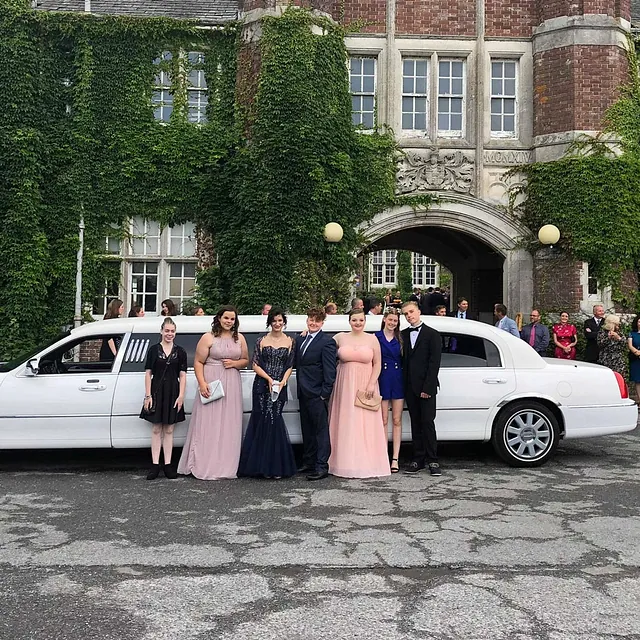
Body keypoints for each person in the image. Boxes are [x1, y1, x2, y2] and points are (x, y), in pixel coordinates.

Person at [177, 306, 249, 479]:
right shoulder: (207, 337)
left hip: (232, 383)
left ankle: (226, 466)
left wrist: (234, 364)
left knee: (229, 424)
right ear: (219, 318)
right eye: (226, 318)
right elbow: (198, 362)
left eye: (232, 319)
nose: (228, 321)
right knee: (207, 424)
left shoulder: (240, 338)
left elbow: (246, 360)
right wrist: (202, 383)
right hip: (211, 383)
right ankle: (203, 463)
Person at [328, 309, 390, 478]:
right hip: (344, 385)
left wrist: (371, 384)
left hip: (365, 386)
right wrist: (305, 333)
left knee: (366, 424)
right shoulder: (340, 337)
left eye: (361, 320)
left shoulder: (372, 339)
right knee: (346, 421)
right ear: (349, 321)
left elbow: (377, 364)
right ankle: (342, 463)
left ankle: (368, 462)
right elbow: (322, 345)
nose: (357, 323)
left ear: (365, 321)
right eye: (354, 320)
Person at [238, 308, 297, 479]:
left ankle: (274, 466)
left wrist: (282, 381)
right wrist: (270, 380)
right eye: (274, 321)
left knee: (274, 419)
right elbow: (255, 364)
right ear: (269, 322)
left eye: (280, 321)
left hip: (280, 386)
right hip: (262, 385)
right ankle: (260, 466)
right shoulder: (261, 341)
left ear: (284, 322)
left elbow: (290, 365)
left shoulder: (291, 342)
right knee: (262, 418)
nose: (277, 324)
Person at [140, 317, 187, 480]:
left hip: (173, 392)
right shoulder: (153, 350)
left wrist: (181, 396)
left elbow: (183, 374)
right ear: (161, 331)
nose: (169, 334)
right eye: (167, 331)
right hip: (156, 392)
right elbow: (148, 373)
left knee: (169, 429)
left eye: (172, 331)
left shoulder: (180, 351)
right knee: (156, 429)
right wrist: (148, 395)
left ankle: (168, 465)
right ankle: (154, 465)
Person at [295, 307, 337, 480]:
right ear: (307, 320)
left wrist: (324, 393)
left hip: (317, 392)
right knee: (307, 428)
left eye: (317, 321)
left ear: (322, 323)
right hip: (302, 391)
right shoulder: (300, 339)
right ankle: (309, 461)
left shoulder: (327, 342)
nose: (313, 323)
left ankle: (321, 466)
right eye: (311, 319)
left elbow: (330, 370)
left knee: (320, 430)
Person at [401, 301, 442, 476]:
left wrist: (428, 387)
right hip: (409, 387)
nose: (409, 315)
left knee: (427, 423)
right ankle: (418, 459)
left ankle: (433, 460)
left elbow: (434, 364)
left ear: (418, 311)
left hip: (426, 387)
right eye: (406, 314)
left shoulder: (433, 334)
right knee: (415, 423)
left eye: (411, 312)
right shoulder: (402, 334)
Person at [375, 308, 403, 473]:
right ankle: (383, 455)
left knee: (397, 420)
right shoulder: (375, 337)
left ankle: (395, 458)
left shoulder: (401, 338)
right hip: (383, 378)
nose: (392, 323)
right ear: (385, 319)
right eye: (390, 319)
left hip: (398, 379)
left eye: (395, 320)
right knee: (383, 419)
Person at [627, 314, 640, 401]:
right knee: (638, 381)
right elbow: (630, 346)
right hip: (636, 360)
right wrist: (637, 352)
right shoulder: (632, 333)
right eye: (639, 321)